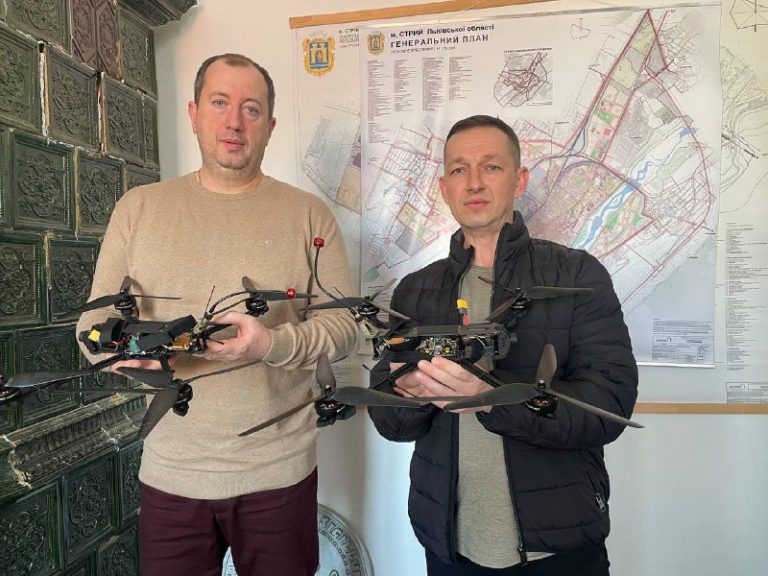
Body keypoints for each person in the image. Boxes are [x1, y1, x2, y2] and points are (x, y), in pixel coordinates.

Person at [77, 54, 357, 576]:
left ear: (270, 125)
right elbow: (91, 327)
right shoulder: (138, 209)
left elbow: (344, 326)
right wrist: (127, 357)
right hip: (172, 474)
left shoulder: (309, 214)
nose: (234, 122)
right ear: (193, 113)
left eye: (251, 109)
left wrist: (271, 344)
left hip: (278, 472)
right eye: (220, 103)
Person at [368, 115, 638, 576]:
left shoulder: (576, 276)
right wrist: (407, 394)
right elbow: (389, 420)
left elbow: (609, 405)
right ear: (444, 187)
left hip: (559, 544)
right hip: (451, 546)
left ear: (520, 180)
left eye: (491, 166)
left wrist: (491, 398)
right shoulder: (414, 291)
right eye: (459, 169)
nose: (473, 182)